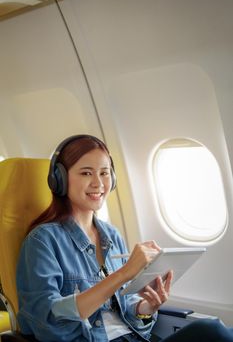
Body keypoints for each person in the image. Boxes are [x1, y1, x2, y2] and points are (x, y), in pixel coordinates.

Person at [16, 134, 233, 342]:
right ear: (60, 180)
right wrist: (123, 273)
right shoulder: (42, 241)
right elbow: (47, 320)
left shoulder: (111, 235)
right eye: (86, 173)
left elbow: (125, 305)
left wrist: (144, 308)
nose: (99, 183)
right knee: (211, 330)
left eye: (104, 173)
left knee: (219, 330)